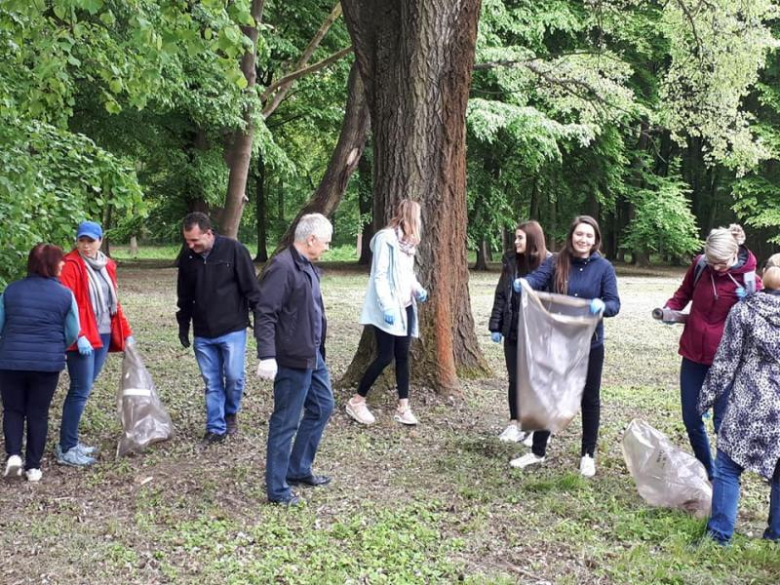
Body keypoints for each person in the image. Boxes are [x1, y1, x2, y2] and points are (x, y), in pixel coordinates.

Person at [509, 215, 620, 477]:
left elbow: (614, 303)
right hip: (556, 342)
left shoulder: (604, 268)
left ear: (595, 240)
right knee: (547, 392)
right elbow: (537, 279)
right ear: (571, 236)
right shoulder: (556, 261)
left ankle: (587, 454)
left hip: (589, 344)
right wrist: (525, 284)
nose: (583, 239)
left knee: (589, 398)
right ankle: (537, 450)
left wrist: (603, 306)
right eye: (579, 234)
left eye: (589, 236)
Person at [662, 227, 762, 480]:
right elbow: (684, 293)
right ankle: (708, 469)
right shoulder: (699, 266)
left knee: (722, 424)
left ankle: (726, 476)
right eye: (712, 262)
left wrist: (750, 300)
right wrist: (669, 309)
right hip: (694, 354)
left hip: (726, 362)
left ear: (735, 253)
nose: (716, 268)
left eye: (722, 263)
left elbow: (761, 318)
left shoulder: (749, 278)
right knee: (691, 418)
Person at [256, 213, 335, 506]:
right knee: (285, 422)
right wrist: (267, 355)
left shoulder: (308, 266)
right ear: (311, 239)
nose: (327, 246)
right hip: (291, 358)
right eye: (326, 241)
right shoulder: (283, 267)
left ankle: (298, 468)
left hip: (312, 354)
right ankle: (277, 489)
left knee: (323, 406)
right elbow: (265, 312)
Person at [698, 266, 780, 545]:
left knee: (727, 468)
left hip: (749, 404)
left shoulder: (744, 311)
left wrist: (705, 399)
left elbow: (724, 363)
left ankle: (719, 536)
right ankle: (776, 535)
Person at [176, 212, 262, 445]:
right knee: (212, 382)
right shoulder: (188, 258)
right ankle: (215, 427)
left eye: (195, 240)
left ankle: (230, 413)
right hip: (203, 332)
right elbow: (184, 295)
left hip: (232, 328)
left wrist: (262, 323)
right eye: (187, 241)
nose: (190, 245)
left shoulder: (234, 251)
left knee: (234, 377)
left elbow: (252, 289)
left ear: (209, 233)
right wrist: (183, 325)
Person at [345, 199, 428, 426]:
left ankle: (403, 407)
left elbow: (407, 274)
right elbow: (379, 275)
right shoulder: (386, 239)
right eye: (417, 217)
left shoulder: (408, 243)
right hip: (388, 308)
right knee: (385, 355)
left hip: (406, 306)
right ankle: (356, 401)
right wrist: (387, 306)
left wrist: (418, 289)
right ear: (410, 217)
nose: (419, 222)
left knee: (402, 356)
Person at [0, 245, 80, 481]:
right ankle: (33, 467)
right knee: (38, 412)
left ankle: (14, 455)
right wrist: (56, 344)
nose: (63, 264)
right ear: (51, 265)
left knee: (13, 410)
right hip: (47, 363)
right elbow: (73, 331)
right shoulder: (65, 295)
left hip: (10, 361)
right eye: (60, 261)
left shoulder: (11, 291)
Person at [57, 221, 134, 466]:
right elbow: (66, 304)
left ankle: (72, 443)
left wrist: (126, 331)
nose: (86, 245)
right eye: (82, 240)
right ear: (77, 241)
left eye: (91, 240)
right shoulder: (70, 265)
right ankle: (66, 447)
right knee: (79, 390)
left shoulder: (106, 265)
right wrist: (77, 334)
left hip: (103, 334)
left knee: (85, 388)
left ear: (100, 240)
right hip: (83, 336)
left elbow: (114, 302)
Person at [489, 220, 550, 443]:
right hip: (513, 331)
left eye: (520, 238)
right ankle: (515, 423)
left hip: (537, 334)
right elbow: (501, 295)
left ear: (533, 239)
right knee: (515, 379)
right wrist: (495, 326)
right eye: (515, 238)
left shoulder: (548, 264)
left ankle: (537, 428)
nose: (516, 242)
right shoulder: (510, 262)